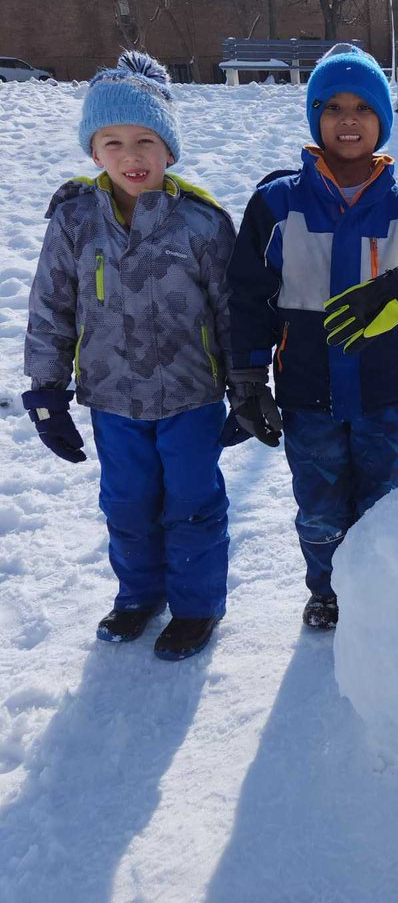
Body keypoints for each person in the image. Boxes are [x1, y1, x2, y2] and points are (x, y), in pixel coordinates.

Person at [23, 51, 237, 659]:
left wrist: (248, 386)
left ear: (169, 149)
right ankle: (138, 595)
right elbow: (51, 309)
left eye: (146, 140)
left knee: (193, 503)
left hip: (191, 395)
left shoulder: (202, 223)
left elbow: (231, 308)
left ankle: (196, 607)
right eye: (112, 142)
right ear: (94, 152)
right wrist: (45, 390)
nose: (130, 156)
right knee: (127, 502)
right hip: (113, 398)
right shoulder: (72, 221)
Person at [225, 45, 398, 630]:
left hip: (385, 391)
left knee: (388, 502)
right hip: (307, 393)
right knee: (319, 509)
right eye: (333, 107)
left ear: (382, 121)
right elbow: (247, 296)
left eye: (363, 108)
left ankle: (386, 590)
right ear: (315, 118)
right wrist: (247, 379)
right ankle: (327, 590)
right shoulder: (276, 206)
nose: (348, 120)